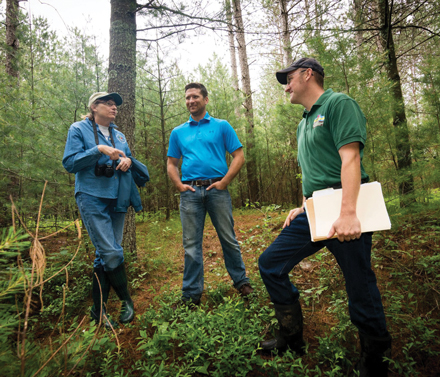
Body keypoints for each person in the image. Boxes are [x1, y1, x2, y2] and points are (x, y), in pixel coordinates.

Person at [258, 58, 391, 376]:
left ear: (307, 75)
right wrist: (303, 204)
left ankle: (375, 364)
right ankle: (291, 339)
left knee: (359, 284)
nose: (286, 86)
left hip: (346, 207)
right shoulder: (303, 123)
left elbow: (350, 158)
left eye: (288, 79)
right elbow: (316, 170)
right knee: (270, 264)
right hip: (316, 208)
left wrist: (348, 213)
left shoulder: (338, 104)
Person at [63, 92, 149, 328]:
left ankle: (97, 310)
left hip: (118, 197)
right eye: (108, 104)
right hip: (91, 196)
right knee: (111, 252)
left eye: (115, 106)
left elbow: (127, 158)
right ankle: (126, 300)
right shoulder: (78, 129)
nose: (114, 108)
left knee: (106, 253)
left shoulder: (119, 135)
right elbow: (70, 163)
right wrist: (98, 150)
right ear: (94, 107)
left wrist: (127, 161)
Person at [167, 83, 253, 306]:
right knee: (191, 245)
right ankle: (191, 295)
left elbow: (239, 155)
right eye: (187, 97)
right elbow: (171, 163)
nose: (190, 101)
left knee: (228, 239)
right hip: (190, 192)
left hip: (217, 191)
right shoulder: (178, 132)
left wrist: (225, 182)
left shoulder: (222, 126)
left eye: (195, 96)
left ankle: (242, 282)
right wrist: (179, 185)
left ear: (205, 100)